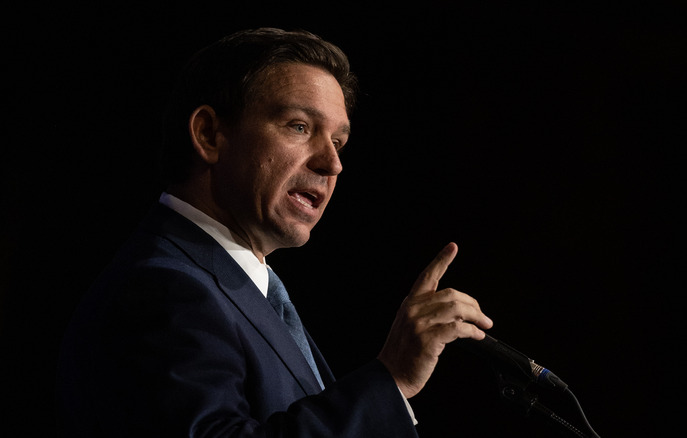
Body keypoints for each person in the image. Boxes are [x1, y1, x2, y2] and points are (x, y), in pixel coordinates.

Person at [57, 28, 493, 437]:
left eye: (338, 142)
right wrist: (391, 379)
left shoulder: (244, 289)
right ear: (209, 135)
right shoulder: (162, 288)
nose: (332, 163)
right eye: (299, 127)